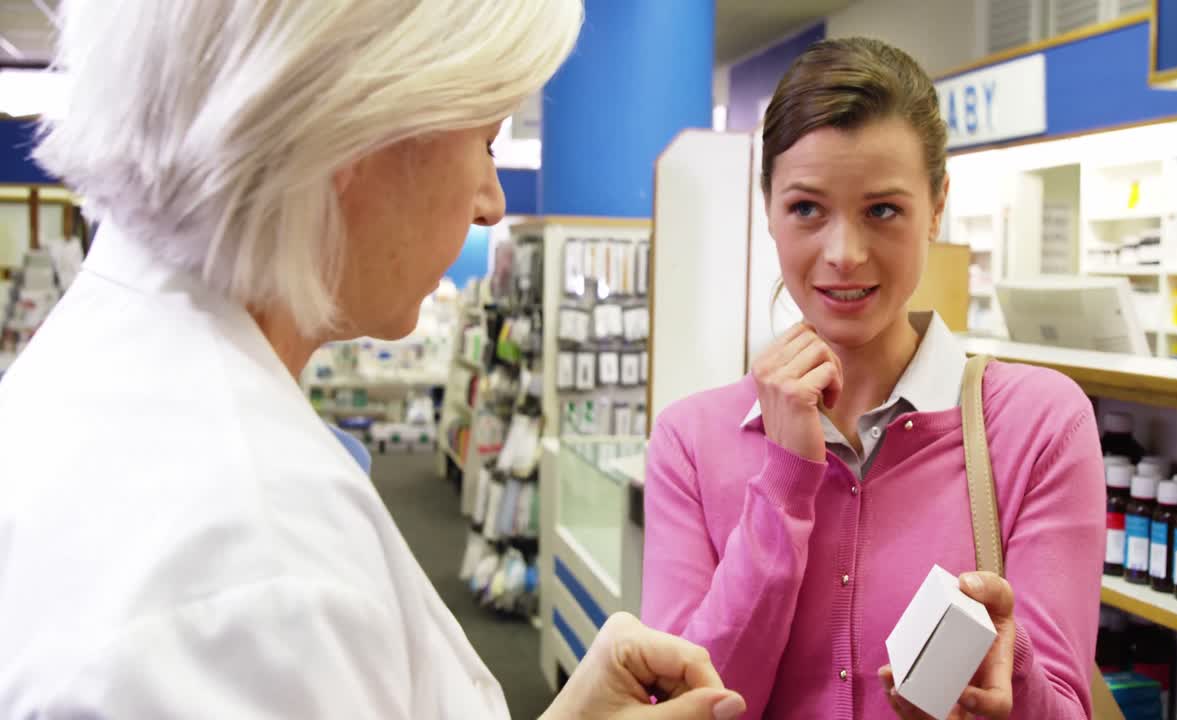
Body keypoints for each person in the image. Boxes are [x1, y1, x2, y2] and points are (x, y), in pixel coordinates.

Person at [0, 2, 748, 719]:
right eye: (486, 143)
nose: (491, 203)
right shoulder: (256, 563)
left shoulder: (118, 363)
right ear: (357, 129)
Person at [641, 37, 1105, 720]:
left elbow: (1063, 708)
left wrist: (1013, 682)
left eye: (882, 210)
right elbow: (681, 707)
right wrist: (785, 482)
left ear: (937, 207)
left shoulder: (1038, 425)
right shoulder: (690, 441)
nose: (844, 254)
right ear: (767, 208)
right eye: (807, 209)